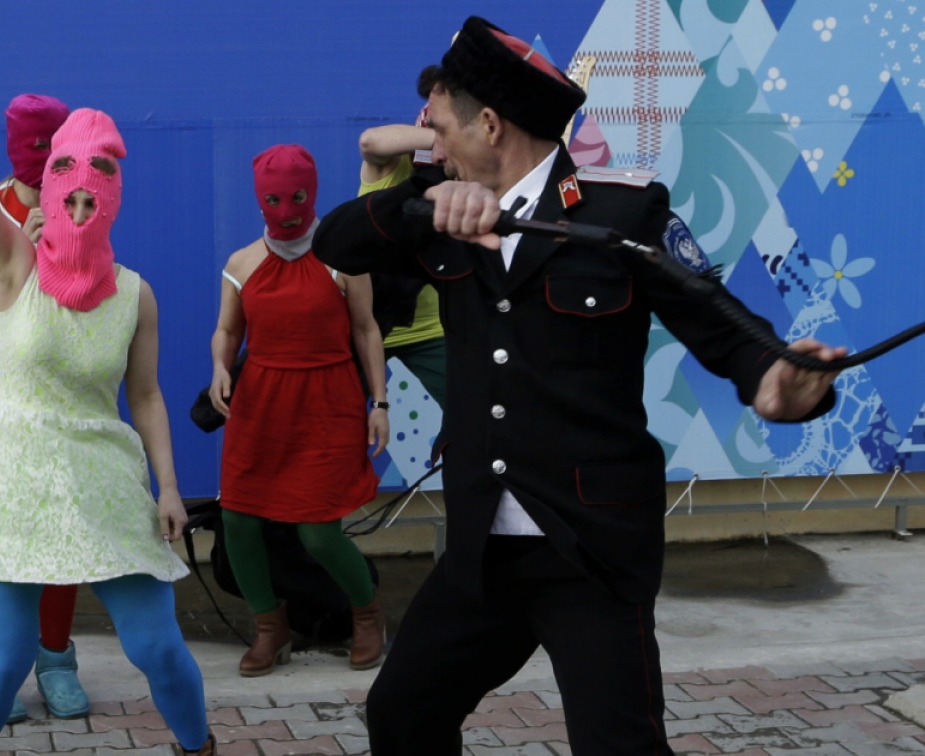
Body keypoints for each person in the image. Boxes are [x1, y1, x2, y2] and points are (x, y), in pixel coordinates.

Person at [312, 16, 844, 755]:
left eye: (441, 128)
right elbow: (334, 241)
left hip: (588, 551)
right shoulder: (441, 203)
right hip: (480, 551)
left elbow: (719, 324)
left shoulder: (620, 210)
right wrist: (419, 208)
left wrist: (775, 382)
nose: (432, 143)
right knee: (401, 715)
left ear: (490, 125)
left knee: (619, 746)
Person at [0, 24, 214, 756]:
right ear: (50, 190)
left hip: (103, 472)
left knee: (158, 646)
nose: (80, 214)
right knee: (0, 662)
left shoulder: (136, 295)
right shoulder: (10, 263)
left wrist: (169, 487)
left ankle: (199, 747)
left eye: (94, 200)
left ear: (112, 201)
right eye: (69, 197)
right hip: (10, 474)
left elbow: (146, 397)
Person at [208, 144, 389, 676]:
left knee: (318, 532)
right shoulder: (241, 264)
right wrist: (220, 367)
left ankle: (367, 613)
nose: (286, 209)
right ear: (258, 198)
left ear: (313, 192)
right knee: (238, 520)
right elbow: (227, 330)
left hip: (327, 404)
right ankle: (270, 626)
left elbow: (366, 330)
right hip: (260, 406)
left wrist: (379, 402)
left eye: (298, 196)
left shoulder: (344, 258)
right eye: (273, 199)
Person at [0, 92, 90, 722]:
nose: (43, 163)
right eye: (34, 149)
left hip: (54, 382)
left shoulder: (80, 202)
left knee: (61, 521)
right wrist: (18, 257)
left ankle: (55, 658)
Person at [357, 109, 450, 409]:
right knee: (334, 418)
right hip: (366, 324)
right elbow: (369, 141)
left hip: (431, 329)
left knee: (474, 412)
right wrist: (442, 138)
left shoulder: (460, 173)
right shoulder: (389, 166)